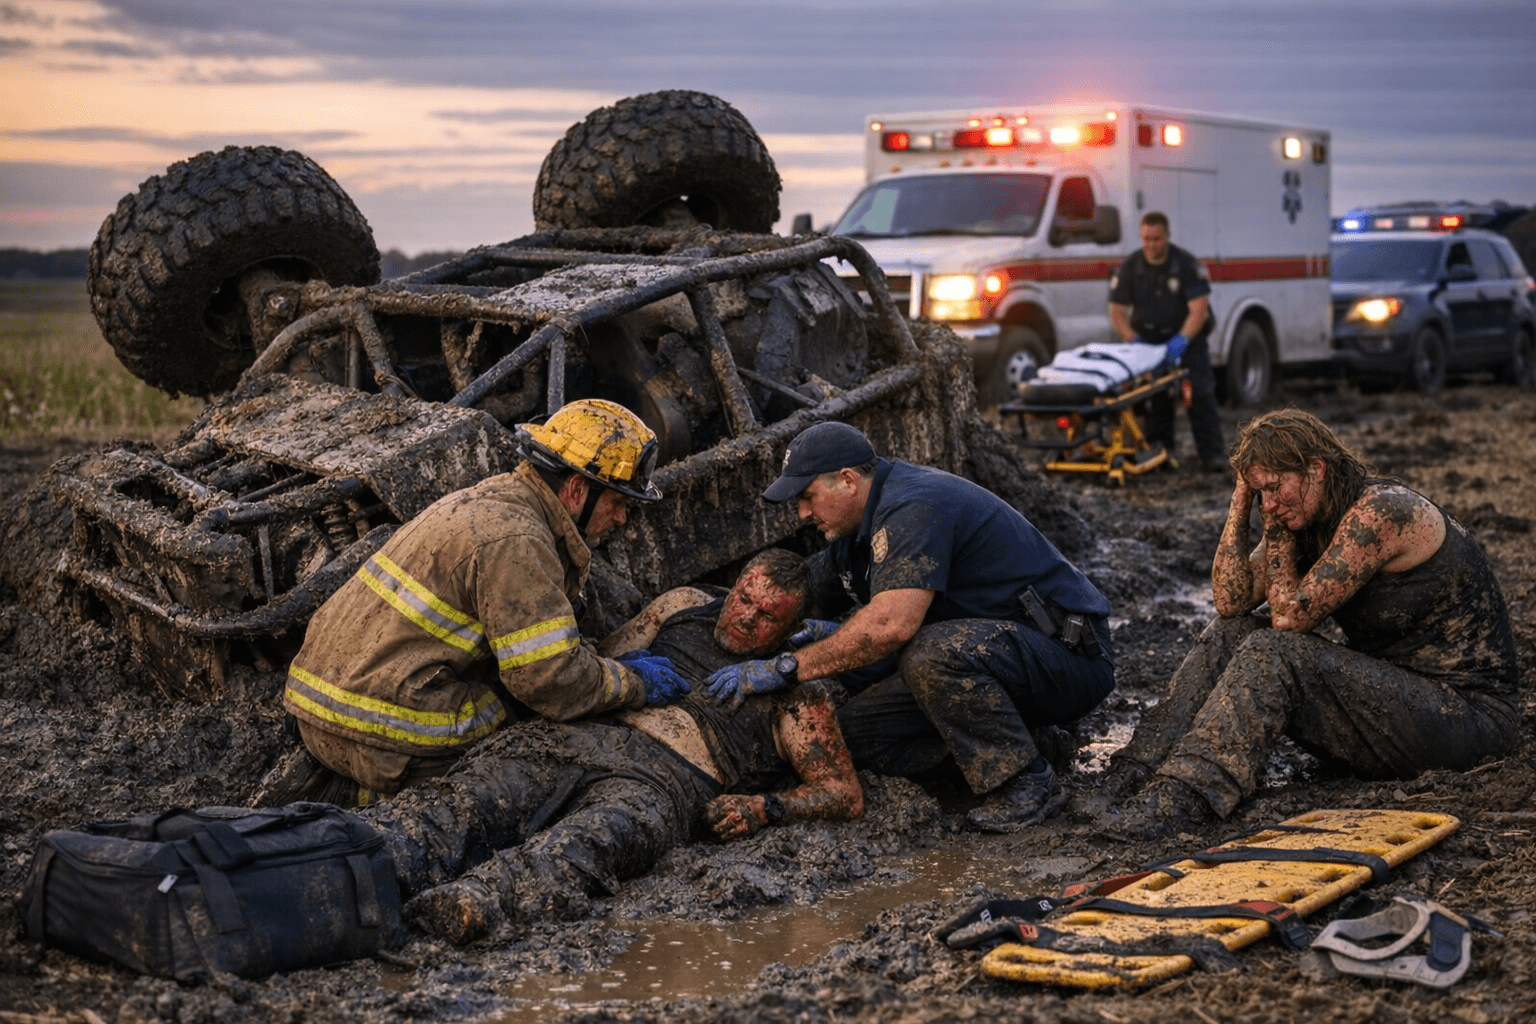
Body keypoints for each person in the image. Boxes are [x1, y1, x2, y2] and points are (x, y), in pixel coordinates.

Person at [356, 549, 863, 944]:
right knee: (468, 802)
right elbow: (596, 662)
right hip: (581, 740)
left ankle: (474, 904)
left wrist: (764, 807)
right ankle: (364, 858)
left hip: (662, 783)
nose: (747, 618)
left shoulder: (800, 693)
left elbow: (842, 791)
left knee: (581, 847)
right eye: (743, 599)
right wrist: (624, 676)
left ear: (794, 628)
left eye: (768, 616)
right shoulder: (682, 605)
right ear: (733, 587)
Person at [1092, 408, 1520, 837]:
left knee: (1275, 651)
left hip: (1467, 720)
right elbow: (1229, 601)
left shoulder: (1382, 512)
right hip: (1399, 704)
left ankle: (1188, 794)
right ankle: (1136, 770)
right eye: (1261, 493)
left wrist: (1275, 532)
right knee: (1233, 633)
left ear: (1316, 469)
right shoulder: (1306, 512)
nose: (1270, 505)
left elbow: (1289, 617)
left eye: (1275, 488)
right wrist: (1240, 504)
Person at [277, 398, 692, 807]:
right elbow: (549, 680)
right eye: (617, 503)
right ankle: (374, 800)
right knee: (523, 729)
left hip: (318, 706)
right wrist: (630, 684)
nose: (621, 519)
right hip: (367, 732)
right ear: (577, 489)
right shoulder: (518, 542)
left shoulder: (497, 500)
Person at [706, 422, 1115, 833]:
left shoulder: (913, 506)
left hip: (1067, 657)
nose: (802, 513)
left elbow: (891, 625)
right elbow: (802, 588)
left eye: (808, 497)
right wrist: (715, 613)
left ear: (847, 480)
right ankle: (1024, 740)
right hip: (993, 662)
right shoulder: (852, 532)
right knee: (850, 738)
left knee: (929, 653)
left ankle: (1028, 781)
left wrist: (784, 667)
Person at [1108, 210, 1226, 472]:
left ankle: (1212, 455)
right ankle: (1161, 454)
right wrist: (1132, 339)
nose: (1151, 245)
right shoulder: (1131, 267)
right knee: (1154, 399)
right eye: (1146, 239)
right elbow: (1116, 312)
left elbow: (1199, 310)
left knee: (1200, 394)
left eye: (1157, 239)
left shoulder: (1186, 265)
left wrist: (1181, 340)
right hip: (1147, 342)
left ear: (1168, 237)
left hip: (1186, 338)